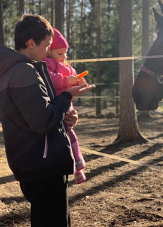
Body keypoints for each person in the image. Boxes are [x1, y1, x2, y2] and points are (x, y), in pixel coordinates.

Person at [0, 14, 95, 227]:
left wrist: (64, 116)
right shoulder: (24, 72)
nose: (48, 51)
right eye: (46, 45)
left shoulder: (11, 71)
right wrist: (67, 96)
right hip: (43, 166)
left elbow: (34, 115)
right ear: (30, 43)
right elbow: (42, 121)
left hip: (33, 162)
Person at [44, 28, 86, 185]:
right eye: (59, 53)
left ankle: (78, 163)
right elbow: (51, 78)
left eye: (65, 53)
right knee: (66, 132)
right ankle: (75, 164)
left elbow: (74, 78)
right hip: (57, 102)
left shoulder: (68, 66)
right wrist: (67, 80)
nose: (63, 57)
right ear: (49, 52)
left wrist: (80, 82)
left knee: (71, 132)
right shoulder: (48, 63)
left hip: (68, 103)